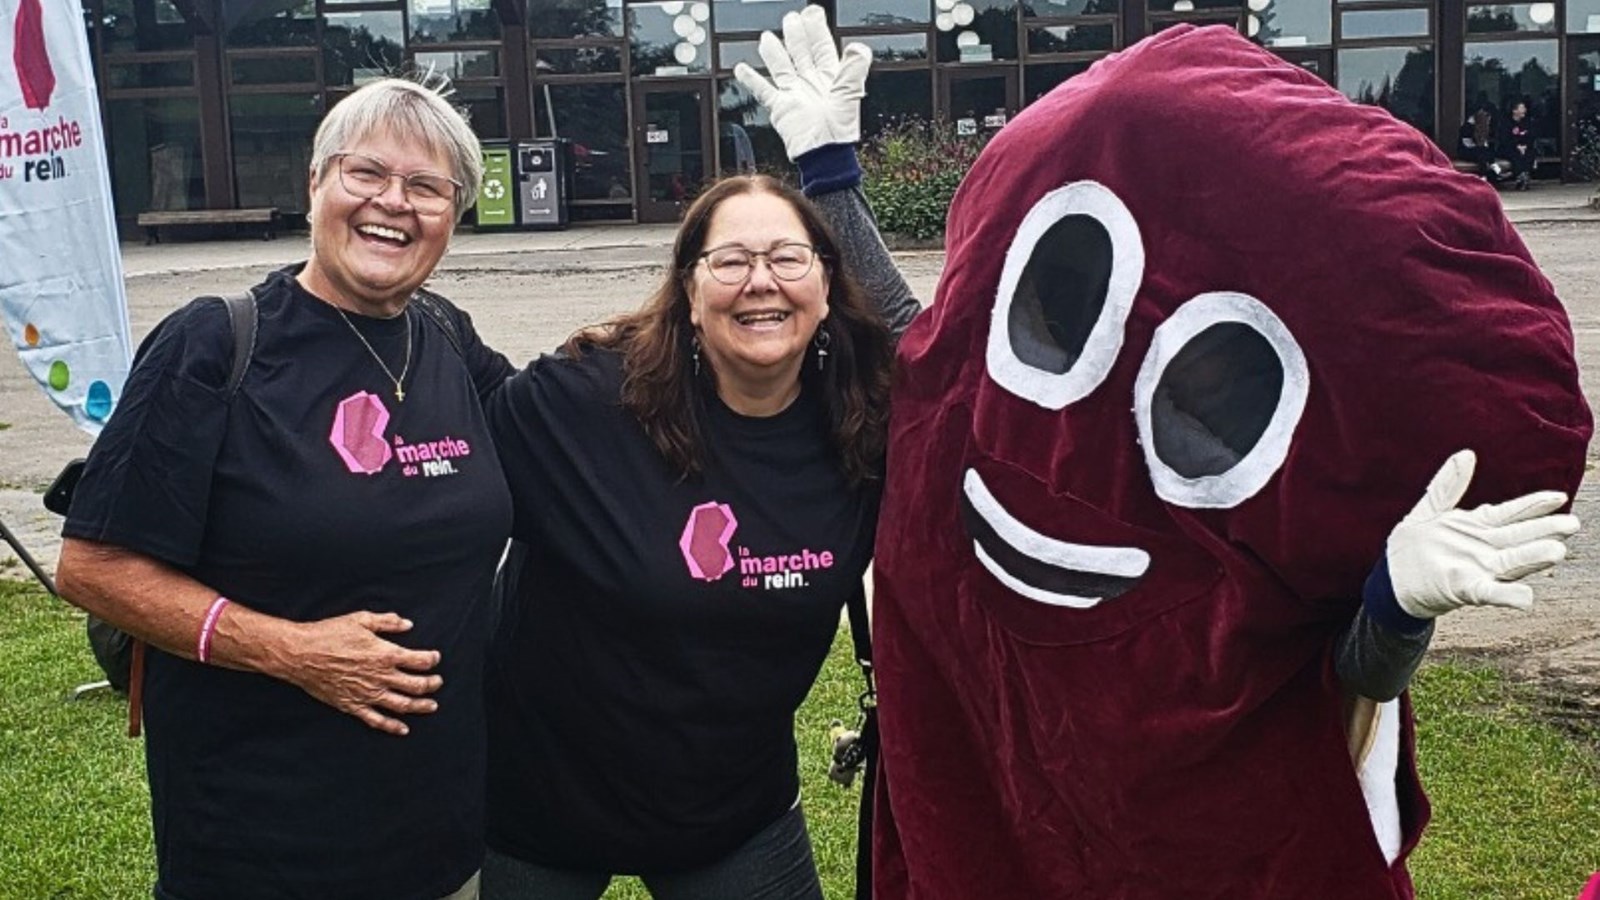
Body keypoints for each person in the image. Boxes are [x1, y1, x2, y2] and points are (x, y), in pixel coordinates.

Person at [843, 24, 1588, 899]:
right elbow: (918, 351)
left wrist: (1393, 607)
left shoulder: (1240, 554)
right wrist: (827, 178)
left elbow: (1335, 681)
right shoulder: (972, 426)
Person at [55, 74, 512, 900]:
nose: (393, 202)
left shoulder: (447, 337)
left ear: (455, 214)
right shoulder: (213, 344)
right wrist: (294, 652)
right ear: (315, 184)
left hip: (439, 841)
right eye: (365, 172)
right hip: (259, 846)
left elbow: (571, 422)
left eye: (426, 186)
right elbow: (95, 568)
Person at [1457, 105, 1506, 181]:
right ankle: (1485, 174)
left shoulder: (1486, 126)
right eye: (1487, 116)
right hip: (1466, 150)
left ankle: (1493, 171)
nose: (1489, 119)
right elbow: (1467, 144)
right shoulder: (1467, 127)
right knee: (1481, 153)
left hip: (1480, 150)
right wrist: (1480, 145)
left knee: (1486, 152)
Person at [1504, 99, 1535, 190]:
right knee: (1516, 155)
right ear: (1514, 111)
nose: (1524, 110)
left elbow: (1531, 136)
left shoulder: (1527, 122)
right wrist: (1517, 146)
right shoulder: (1506, 123)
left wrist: (1525, 146)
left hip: (1525, 147)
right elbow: (1504, 139)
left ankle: (1525, 177)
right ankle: (1520, 177)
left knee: (1530, 154)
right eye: (1522, 108)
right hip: (1509, 148)